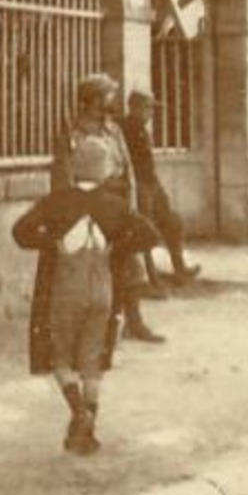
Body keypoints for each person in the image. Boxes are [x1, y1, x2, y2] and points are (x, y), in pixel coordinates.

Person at [14, 137, 160, 454]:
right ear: (105, 170)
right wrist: (114, 249)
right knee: (92, 361)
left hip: (65, 288)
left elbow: (20, 231)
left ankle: (79, 413)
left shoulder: (56, 201)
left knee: (59, 356)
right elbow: (151, 234)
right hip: (103, 290)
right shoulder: (116, 204)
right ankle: (86, 435)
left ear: (74, 167)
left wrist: (52, 242)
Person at [39, 74, 164, 368]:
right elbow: (64, 176)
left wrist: (131, 207)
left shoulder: (114, 130)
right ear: (94, 100)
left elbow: (127, 169)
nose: (112, 101)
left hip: (118, 207)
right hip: (91, 210)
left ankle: (134, 323)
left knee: (128, 270)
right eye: (108, 95)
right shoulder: (72, 132)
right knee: (93, 277)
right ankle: (91, 341)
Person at [121, 89, 201, 290]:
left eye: (151, 108)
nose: (151, 113)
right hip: (138, 185)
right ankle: (150, 279)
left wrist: (156, 186)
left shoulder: (141, 129)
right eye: (147, 108)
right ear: (135, 107)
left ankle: (179, 268)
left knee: (173, 222)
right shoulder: (125, 129)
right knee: (145, 232)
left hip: (151, 184)